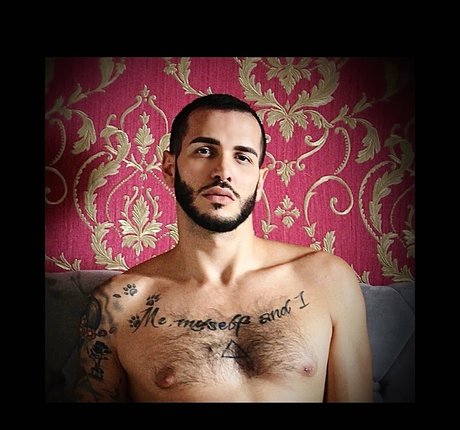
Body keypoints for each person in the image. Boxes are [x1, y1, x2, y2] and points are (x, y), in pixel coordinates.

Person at [75, 93, 373, 402]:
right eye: (204, 150)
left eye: (242, 156)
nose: (222, 172)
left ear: (260, 180)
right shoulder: (119, 305)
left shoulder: (327, 279)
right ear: (169, 168)